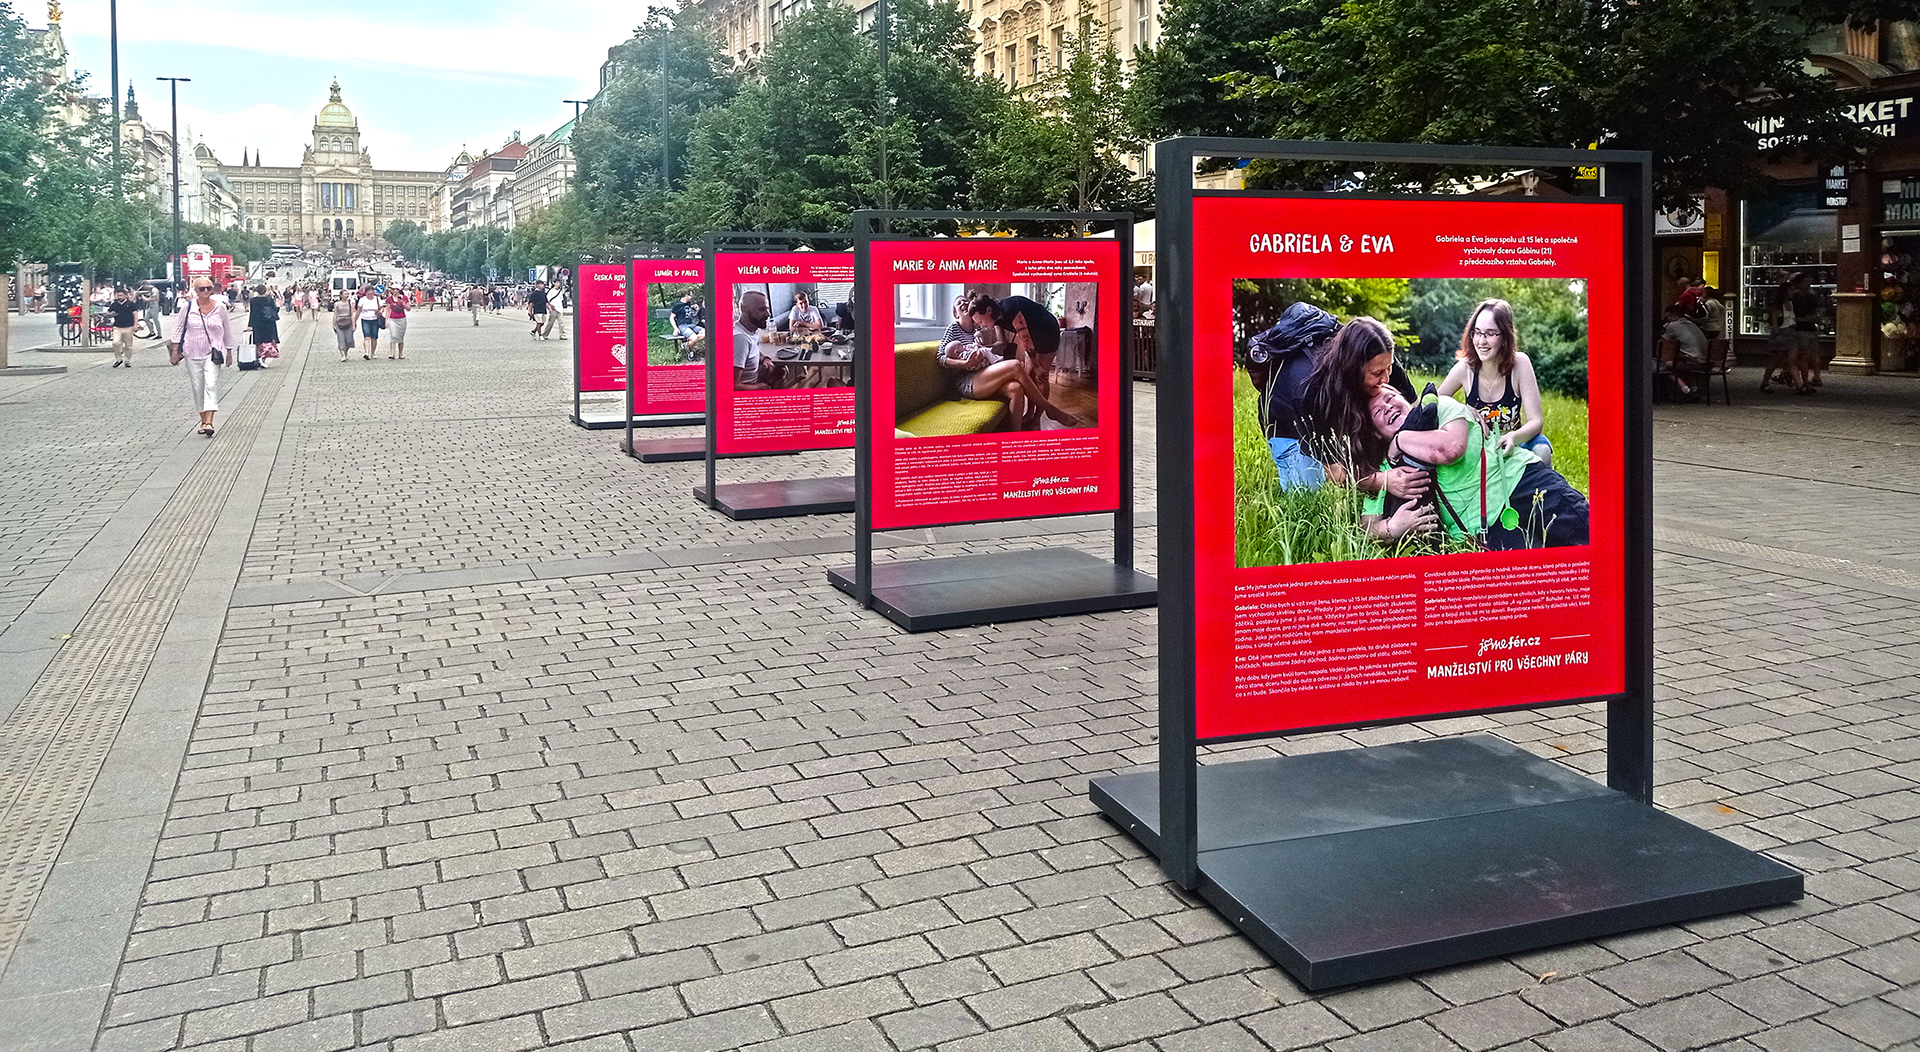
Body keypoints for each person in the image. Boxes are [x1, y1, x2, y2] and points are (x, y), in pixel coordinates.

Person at [1362, 385, 1589, 550]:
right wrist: (1393, 527)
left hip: (1523, 481)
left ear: (1404, 398)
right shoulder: (1384, 468)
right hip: (1484, 528)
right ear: (1374, 431)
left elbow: (1450, 449)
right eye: (1378, 412)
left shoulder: (1442, 406)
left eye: (1390, 398)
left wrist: (1400, 441)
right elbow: (1367, 528)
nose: (1388, 407)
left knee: (1594, 538)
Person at [1299, 316, 1423, 501]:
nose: (1387, 379)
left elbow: (1415, 412)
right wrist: (1383, 480)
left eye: (1389, 368)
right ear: (1352, 369)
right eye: (1377, 373)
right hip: (1286, 422)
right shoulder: (1313, 396)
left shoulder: (1382, 361)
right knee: (1308, 491)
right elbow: (1335, 473)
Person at [1436, 298, 1553, 468]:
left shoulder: (1520, 364)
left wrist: (1513, 437)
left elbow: (1536, 421)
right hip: (1479, 447)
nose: (1481, 341)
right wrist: (1463, 409)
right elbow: (1434, 403)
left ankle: (1541, 493)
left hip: (1516, 444)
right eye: (1477, 332)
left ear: (1505, 336)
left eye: (1490, 333)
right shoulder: (1464, 368)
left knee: (1542, 449)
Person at [167, 277, 235, 436]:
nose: (205, 291)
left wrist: (230, 351)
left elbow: (227, 330)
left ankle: (209, 422)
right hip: (192, 351)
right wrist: (175, 352)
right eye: (202, 289)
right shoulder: (188, 307)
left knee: (210, 384)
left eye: (208, 288)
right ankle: (203, 419)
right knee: (198, 386)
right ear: (195, 291)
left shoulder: (220, 308)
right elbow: (177, 329)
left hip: (213, 352)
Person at [1761, 276, 1807, 394]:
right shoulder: (1778, 304)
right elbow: (1775, 321)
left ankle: (1799, 385)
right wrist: (1777, 334)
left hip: (1791, 332)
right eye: (1791, 290)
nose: (1793, 292)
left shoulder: (1790, 303)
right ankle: (1765, 382)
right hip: (1782, 333)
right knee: (1775, 360)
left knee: (1792, 360)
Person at [733, 289, 773, 389]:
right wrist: (759, 387)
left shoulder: (750, 329)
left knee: (782, 370)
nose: (768, 314)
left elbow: (752, 350)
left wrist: (764, 358)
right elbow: (733, 385)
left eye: (767, 309)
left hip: (756, 376)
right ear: (744, 309)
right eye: (761, 309)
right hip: (748, 390)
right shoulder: (740, 339)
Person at [1792, 273, 1822, 391]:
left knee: (1807, 354)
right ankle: (1812, 378)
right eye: (1805, 282)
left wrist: (1802, 319)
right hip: (1806, 328)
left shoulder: (1800, 297)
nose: (1807, 284)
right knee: (1808, 354)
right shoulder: (1806, 296)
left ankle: (1811, 378)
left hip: (1804, 328)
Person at [246, 284, 280, 368]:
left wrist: (250, 325)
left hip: (257, 324)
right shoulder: (269, 299)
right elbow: (274, 310)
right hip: (268, 323)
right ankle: (263, 359)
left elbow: (252, 313)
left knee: (258, 341)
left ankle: (259, 358)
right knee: (267, 342)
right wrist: (278, 306)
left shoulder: (253, 301)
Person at [105, 287, 139, 368]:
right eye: (118, 295)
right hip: (117, 326)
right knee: (115, 343)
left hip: (128, 326)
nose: (119, 297)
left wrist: (135, 325)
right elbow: (108, 312)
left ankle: (127, 360)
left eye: (121, 295)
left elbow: (135, 314)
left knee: (128, 345)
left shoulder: (131, 304)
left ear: (126, 296)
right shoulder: (114, 304)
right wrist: (110, 314)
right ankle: (119, 358)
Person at [356, 286, 383, 359]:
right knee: (367, 337)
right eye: (369, 291)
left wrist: (380, 311)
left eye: (372, 291)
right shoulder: (362, 300)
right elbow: (358, 311)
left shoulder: (377, 299)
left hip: (375, 320)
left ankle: (373, 352)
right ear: (366, 292)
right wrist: (354, 321)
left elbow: (382, 308)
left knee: (374, 337)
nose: (371, 292)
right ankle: (366, 353)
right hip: (365, 319)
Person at [386, 285, 410, 359]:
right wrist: (386, 320)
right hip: (392, 319)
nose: (394, 291)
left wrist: (403, 303)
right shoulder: (389, 299)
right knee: (393, 335)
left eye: (395, 289)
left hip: (402, 318)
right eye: (393, 289)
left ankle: (400, 353)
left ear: (399, 290)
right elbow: (387, 310)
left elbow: (409, 308)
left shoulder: (404, 298)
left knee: (400, 337)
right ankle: (392, 353)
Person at [332, 289, 356, 361]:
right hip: (339, 323)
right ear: (341, 295)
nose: (347, 295)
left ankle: (346, 352)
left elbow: (352, 314)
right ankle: (343, 355)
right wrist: (334, 323)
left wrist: (354, 324)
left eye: (348, 294)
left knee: (349, 340)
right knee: (341, 338)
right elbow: (335, 314)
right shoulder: (337, 304)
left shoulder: (350, 303)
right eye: (345, 294)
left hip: (348, 322)